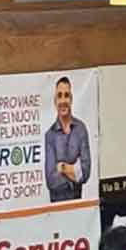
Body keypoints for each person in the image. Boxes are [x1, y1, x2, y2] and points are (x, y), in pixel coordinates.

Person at [44, 76, 92, 204]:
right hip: (56, 206)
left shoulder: (81, 129)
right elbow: (51, 181)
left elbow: (85, 172)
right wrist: (75, 173)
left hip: (77, 205)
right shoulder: (50, 135)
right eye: (59, 96)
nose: (63, 100)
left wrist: (62, 167)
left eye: (66, 95)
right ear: (55, 101)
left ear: (71, 99)